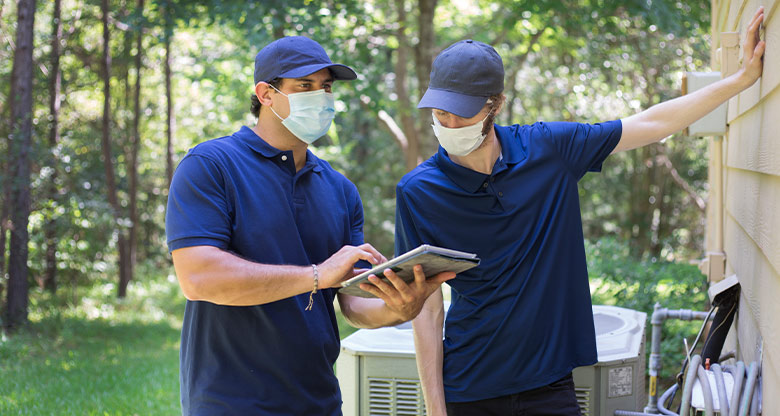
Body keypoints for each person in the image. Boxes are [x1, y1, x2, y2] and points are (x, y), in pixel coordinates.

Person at [398, 8, 765, 416]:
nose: (447, 122)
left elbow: (651, 123)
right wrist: (435, 408)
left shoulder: (550, 150)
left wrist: (742, 80)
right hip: (468, 387)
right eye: (438, 111)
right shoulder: (417, 192)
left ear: (495, 104)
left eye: (460, 111)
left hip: (549, 384)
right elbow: (427, 310)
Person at [165, 36, 454, 415]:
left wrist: (400, 309)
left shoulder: (341, 190)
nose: (321, 97)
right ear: (266, 94)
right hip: (230, 401)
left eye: (326, 87)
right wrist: (317, 275)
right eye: (305, 86)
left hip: (319, 402)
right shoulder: (210, 165)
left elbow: (351, 303)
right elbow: (198, 278)